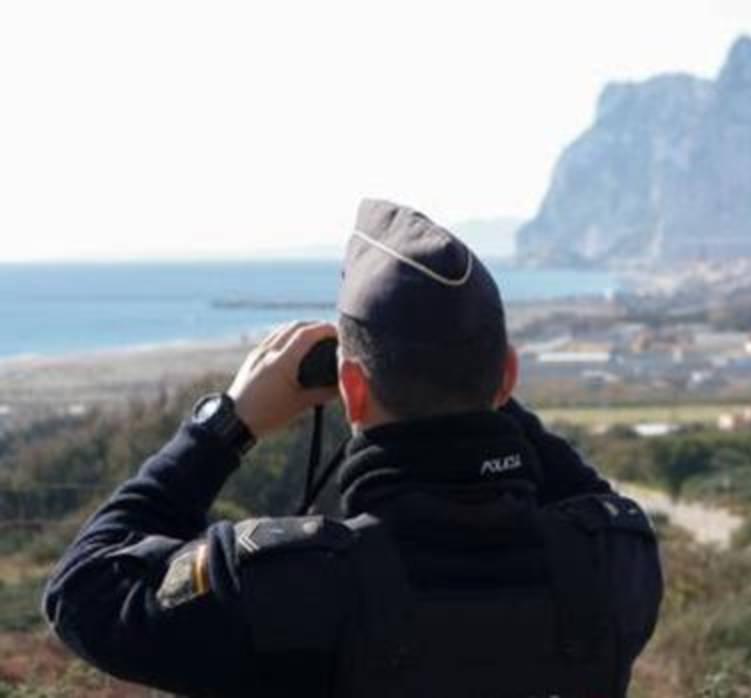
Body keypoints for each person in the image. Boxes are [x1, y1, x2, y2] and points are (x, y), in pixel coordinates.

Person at [42, 199, 663, 697]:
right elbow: (585, 495)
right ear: (506, 378)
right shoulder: (610, 566)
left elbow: (82, 590)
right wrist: (470, 383)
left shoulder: (281, 591)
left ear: (352, 391)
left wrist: (224, 425)